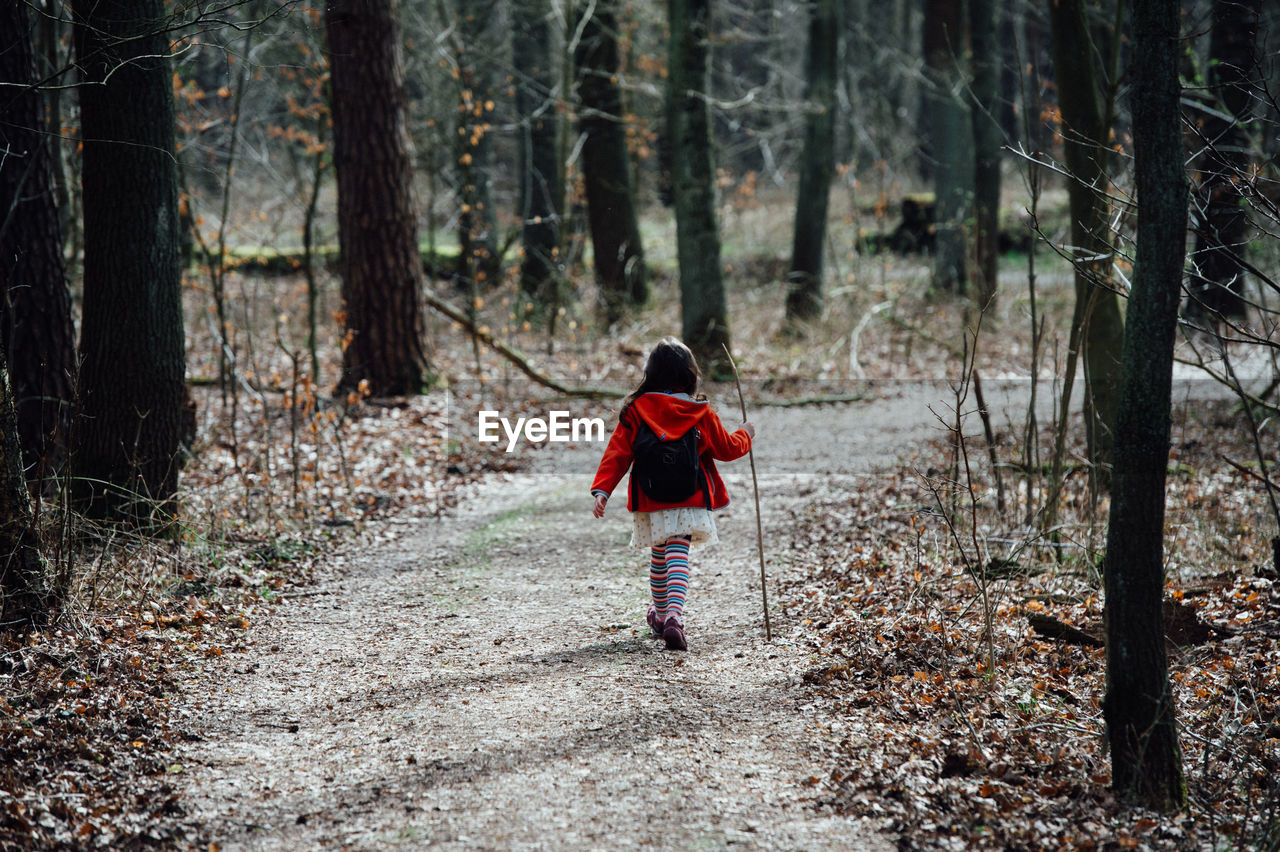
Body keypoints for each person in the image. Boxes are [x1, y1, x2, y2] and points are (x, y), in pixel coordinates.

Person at [590, 338, 755, 651]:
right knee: (679, 552)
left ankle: (662, 613)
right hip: (689, 496)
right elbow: (727, 448)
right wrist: (746, 433)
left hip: (652, 499)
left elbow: (618, 453)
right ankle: (673, 617)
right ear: (689, 376)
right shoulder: (700, 412)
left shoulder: (637, 411)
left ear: (651, 375)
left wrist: (603, 490)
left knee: (659, 554)